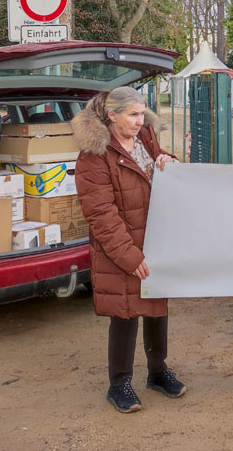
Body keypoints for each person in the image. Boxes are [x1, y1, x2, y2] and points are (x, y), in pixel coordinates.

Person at [73, 87, 186, 413]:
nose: (140, 120)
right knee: (125, 314)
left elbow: (161, 173)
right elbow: (101, 216)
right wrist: (129, 257)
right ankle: (119, 383)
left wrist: (168, 161)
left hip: (154, 239)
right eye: (133, 115)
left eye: (142, 113)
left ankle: (157, 371)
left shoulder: (144, 139)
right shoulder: (94, 156)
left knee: (156, 308)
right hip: (121, 249)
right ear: (112, 115)